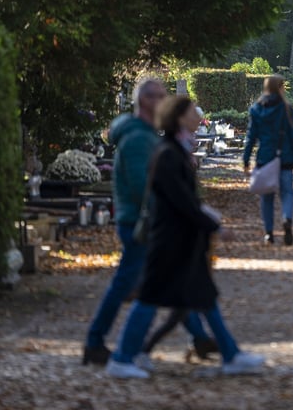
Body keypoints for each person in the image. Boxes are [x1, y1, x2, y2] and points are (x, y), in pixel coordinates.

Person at [107, 96, 265, 379]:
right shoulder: (169, 153)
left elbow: (186, 199)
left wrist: (209, 220)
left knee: (203, 297)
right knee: (151, 299)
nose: (198, 116)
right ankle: (122, 358)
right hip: (170, 241)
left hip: (181, 240)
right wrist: (214, 226)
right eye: (193, 111)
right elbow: (182, 201)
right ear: (179, 118)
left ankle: (231, 355)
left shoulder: (175, 150)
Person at [83, 79, 216, 366]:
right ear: (145, 101)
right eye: (158, 96)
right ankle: (95, 342)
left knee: (167, 280)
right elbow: (143, 186)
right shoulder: (138, 138)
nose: (164, 102)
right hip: (139, 222)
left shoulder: (144, 134)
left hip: (143, 219)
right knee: (132, 284)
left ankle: (200, 338)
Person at [242, 75, 293, 245]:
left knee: (266, 196)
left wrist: (246, 159)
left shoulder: (256, 109)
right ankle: (286, 218)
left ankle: (268, 232)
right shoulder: (286, 108)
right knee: (287, 193)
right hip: (285, 156)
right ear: (280, 88)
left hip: (265, 157)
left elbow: (251, 137)